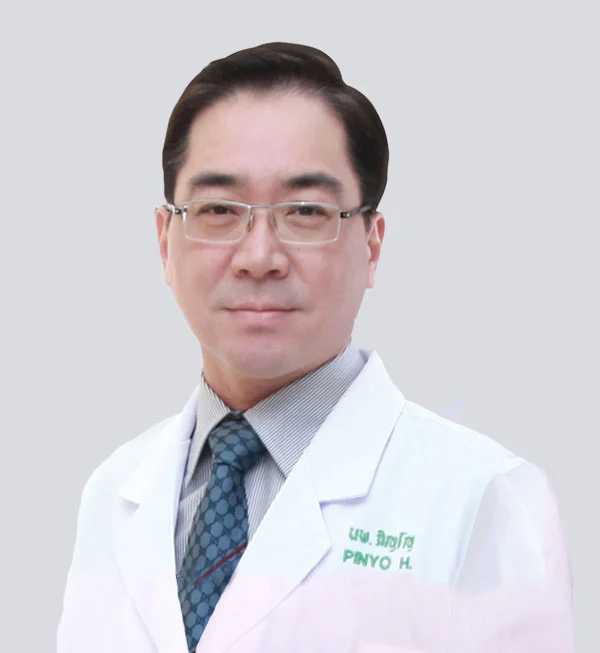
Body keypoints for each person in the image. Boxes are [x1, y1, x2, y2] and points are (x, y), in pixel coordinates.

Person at [57, 42, 574, 653]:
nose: (259, 257)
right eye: (218, 209)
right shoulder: (112, 492)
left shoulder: (484, 498)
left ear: (372, 245)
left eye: (305, 211)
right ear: (166, 241)